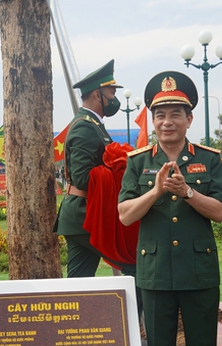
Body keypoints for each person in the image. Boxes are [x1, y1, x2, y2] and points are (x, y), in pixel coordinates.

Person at [119, 71, 222, 346]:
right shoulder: (137, 163)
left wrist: (187, 192)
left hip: (199, 271)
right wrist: (155, 191)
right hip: (154, 272)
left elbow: (219, 212)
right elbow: (125, 215)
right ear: (152, 119)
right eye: (160, 114)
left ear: (189, 118)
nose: (167, 121)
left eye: (175, 114)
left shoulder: (209, 160)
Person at [54, 59, 135, 277]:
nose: (114, 99)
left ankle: (74, 312)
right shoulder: (85, 127)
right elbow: (82, 178)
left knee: (78, 286)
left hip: (80, 217)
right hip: (86, 216)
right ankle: (135, 312)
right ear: (98, 95)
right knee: (134, 266)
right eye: (111, 93)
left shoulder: (93, 124)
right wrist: (119, 168)